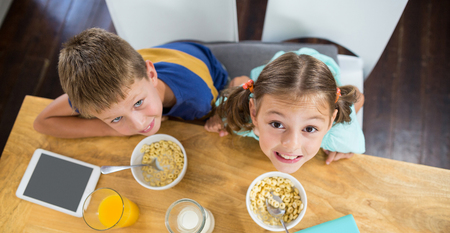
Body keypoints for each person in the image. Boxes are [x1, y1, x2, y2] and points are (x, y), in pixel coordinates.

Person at [34, 28, 228, 138]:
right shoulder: (94, 95)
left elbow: (215, 114)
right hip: (156, 57)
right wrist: (109, 130)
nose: (139, 124)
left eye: (138, 103)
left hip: (205, 66)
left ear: (151, 73)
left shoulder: (198, 100)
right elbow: (42, 123)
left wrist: (116, 126)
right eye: (116, 118)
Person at [205, 49, 365, 174]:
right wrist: (220, 115)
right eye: (277, 124)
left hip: (324, 78)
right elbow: (238, 82)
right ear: (254, 113)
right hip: (278, 76)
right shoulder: (241, 113)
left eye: (310, 128)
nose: (292, 144)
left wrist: (346, 148)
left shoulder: (341, 137)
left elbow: (358, 96)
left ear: (330, 122)